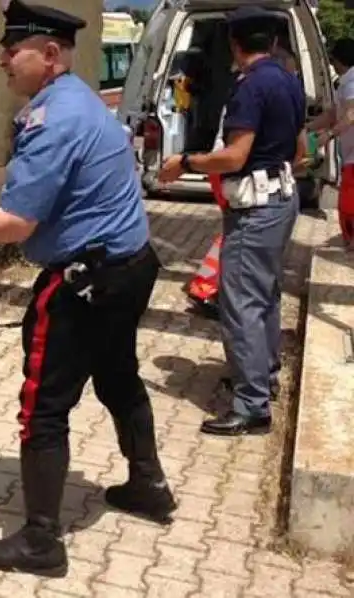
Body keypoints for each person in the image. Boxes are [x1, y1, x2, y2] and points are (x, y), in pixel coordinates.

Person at [0, 0, 177, 578]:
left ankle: (42, 542)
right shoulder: (70, 103)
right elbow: (19, 181)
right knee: (118, 375)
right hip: (127, 268)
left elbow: (17, 223)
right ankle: (149, 485)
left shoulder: (55, 119)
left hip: (85, 283)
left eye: (12, 48)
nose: (2, 57)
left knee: (43, 405)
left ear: (48, 55)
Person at [159, 6, 305, 436]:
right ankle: (264, 375)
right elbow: (298, 152)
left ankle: (252, 405)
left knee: (239, 303)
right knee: (265, 294)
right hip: (281, 200)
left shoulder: (249, 88)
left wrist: (184, 162)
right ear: (275, 42)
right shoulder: (288, 82)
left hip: (255, 208)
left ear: (235, 45)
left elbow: (234, 156)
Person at [186, 44, 299, 320]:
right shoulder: (255, 90)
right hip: (231, 174)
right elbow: (237, 155)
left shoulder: (255, 88)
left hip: (233, 174)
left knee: (234, 236)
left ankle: (208, 285)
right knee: (235, 238)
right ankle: (208, 287)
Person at [308, 38, 354, 247]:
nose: (332, 64)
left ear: (339, 60)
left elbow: (352, 113)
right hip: (349, 154)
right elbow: (333, 113)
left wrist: (330, 134)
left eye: (333, 59)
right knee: (346, 201)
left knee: (348, 203)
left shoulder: (352, 81)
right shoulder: (344, 82)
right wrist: (307, 128)